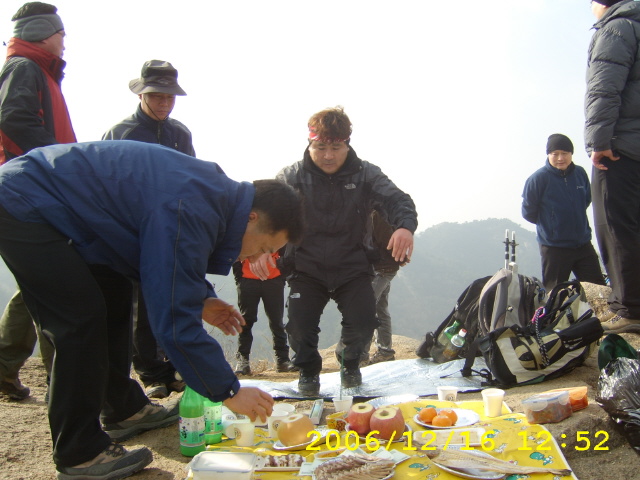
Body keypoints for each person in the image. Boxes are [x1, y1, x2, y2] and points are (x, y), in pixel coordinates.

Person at [0, 140, 303, 479]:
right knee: (79, 321)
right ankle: (79, 452)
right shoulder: (191, 207)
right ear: (252, 217)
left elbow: (165, 262)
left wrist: (201, 298)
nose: (257, 258)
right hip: (27, 202)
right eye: (263, 247)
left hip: (82, 222)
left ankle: (123, 409)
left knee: (115, 300)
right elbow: (174, 321)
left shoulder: (213, 199)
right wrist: (228, 391)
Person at [250, 106, 417, 396]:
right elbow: (265, 212)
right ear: (310, 144)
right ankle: (308, 372)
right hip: (306, 267)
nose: (328, 155)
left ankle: (349, 364)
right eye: (321, 147)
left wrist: (404, 227)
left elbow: (398, 200)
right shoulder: (292, 176)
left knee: (364, 321)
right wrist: (260, 248)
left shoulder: (365, 174)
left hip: (353, 265)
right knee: (299, 327)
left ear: (347, 144)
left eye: (336, 148)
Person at [103, 59, 194, 399]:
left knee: (167, 299)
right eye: (157, 96)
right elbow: (105, 183)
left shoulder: (180, 134)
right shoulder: (122, 133)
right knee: (138, 304)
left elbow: (190, 178)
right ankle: (150, 373)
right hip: (129, 230)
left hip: (169, 229)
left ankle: (170, 368)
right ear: (141, 95)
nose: (164, 103)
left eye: (170, 97)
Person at [0, 1, 75, 401]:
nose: (65, 41)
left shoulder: (36, 70)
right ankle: (61, 383)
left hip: (30, 190)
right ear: (43, 33)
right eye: (61, 34)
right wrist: (57, 160)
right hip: (29, 192)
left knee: (36, 283)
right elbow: (13, 118)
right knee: (56, 284)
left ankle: (5, 371)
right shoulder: (24, 68)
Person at [586, 0, 640, 333]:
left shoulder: (618, 27)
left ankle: (630, 308)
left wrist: (599, 140)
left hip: (621, 147)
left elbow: (604, 86)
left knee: (616, 227)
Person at [521, 134, 604, 292]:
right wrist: (552, 224)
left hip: (582, 244)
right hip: (554, 248)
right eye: (555, 154)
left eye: (565, 153)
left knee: (599, 291)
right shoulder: (538, 179)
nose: (560, 158)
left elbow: (586, 199)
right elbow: (528, 212)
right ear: (548, 154)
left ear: (571, 154)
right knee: (555, 295)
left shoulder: (580, 173)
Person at [231, 249, 297, 375]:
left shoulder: (276, 234)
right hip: (247, 279)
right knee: (246, 321)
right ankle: (243, 361)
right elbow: (236, 250)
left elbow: (287, 248)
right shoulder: (245, 234)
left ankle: (282, 360)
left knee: (276, 321)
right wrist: (239, 278)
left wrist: (282, 274)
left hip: (274, 279)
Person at [360, 210, 406, 365]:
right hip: (382, 267)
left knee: (365, 308)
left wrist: (400, 256)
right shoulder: (378, 211)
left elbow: (386, 238)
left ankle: (361, 356)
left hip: (382, 268)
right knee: (380, 309)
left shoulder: (376, 213)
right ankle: (385, 351)